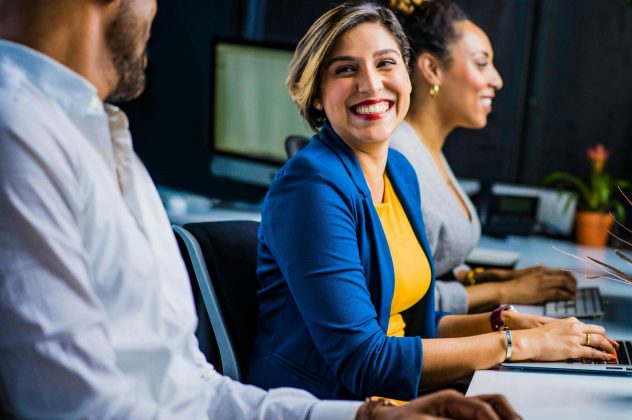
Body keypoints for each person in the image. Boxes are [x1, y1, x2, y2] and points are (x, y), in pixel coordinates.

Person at [0, 0, 518, 418]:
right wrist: (509, 345)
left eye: (386, 64)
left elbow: (189, 384)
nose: (157, 11)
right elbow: (76, 405)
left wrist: (370, 417)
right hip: (342, 388)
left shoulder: (106, 140)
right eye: (346, 70)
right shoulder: (19, 133)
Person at [250, 1, 617, 402]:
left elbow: (413, 327)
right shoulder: (311, 187)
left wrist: (505, 323)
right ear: (317, 95)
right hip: (330, 404)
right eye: (345, 69)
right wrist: (518, 345)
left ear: (408, 77)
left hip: (398, 396)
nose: (371, 84)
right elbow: (364, 361)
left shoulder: (400, 172)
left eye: (385, 63)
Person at [387, 0, 578, 315]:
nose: (497, 80)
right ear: (432, 69)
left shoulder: (426, 149)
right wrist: (505, 290)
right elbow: (398, 298)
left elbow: (436, 266)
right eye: (481, 63)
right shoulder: (397, 157)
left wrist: (497, 276)